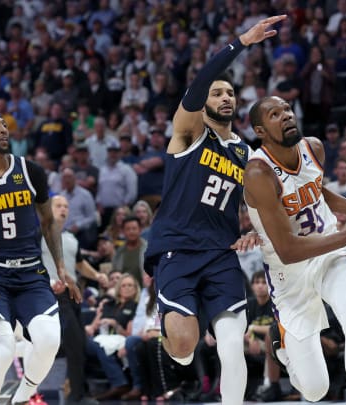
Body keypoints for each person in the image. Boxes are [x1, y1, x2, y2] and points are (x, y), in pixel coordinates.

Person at [144, 16, 286, 405]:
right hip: (177, 249)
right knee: (186, 348)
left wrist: (256, 227)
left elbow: (262, 202)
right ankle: (172, 331)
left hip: (222, 254)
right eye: (217, 92)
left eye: (230, 93)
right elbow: (201, 79)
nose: (225, 97)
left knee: (231, 343)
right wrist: (243, 42)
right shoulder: (188, 132)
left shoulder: (245, 152)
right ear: (204, 100)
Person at [244, 95, 346, 403]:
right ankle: (282, 348)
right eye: (275, 114)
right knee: (315, 390)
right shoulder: (258, 174)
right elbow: (289, 250)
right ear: (261, 131)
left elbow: (319, 191)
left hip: (329, 252)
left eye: (287, 110)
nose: (286, 116)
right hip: (288, 272)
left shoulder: (313, 148)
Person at [0, 110, 81, 405]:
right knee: (4, 349)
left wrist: (60, 267)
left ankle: (21, 399)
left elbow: (48, 222)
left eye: (5, 125)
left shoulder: (30, 171)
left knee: (48, 341)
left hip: (31, 273)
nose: (4, 129)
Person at [42, 195, 108, 405]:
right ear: (48, 209)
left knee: (79, 345)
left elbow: (79, 265)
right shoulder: (38, 235)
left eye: (66, 206)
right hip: (51, 295)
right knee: (71, 344)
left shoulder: (71, 238)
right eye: (59, 206)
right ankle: (75, 396)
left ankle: (80, 391)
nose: (63, 209)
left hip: (73, 295)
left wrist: (97, 275)